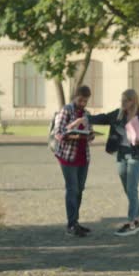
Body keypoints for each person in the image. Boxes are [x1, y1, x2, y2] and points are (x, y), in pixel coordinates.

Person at [74, 89, 139, 236]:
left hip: (135, 156)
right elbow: (103, 118)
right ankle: (138, 219)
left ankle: (132, 223)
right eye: (122, 100)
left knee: (132, 190)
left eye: (126, 101)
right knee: (128, 189)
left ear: (134, 101)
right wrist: (87, 118)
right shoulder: (118, 115)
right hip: (120, 156)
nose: (123, 103)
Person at [53, 85, 95, 238]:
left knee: (80, 189)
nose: (83, 103)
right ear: (75, 97)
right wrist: (74, 126)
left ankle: (75, 221)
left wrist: (90, 135)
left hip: (83, 156)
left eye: (86, 101)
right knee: (72, 189)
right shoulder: (66, 110)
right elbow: (58, 133)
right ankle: (71, 225)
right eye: (81, 100)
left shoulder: (86, 114)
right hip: (67, 156)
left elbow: (90, 133)